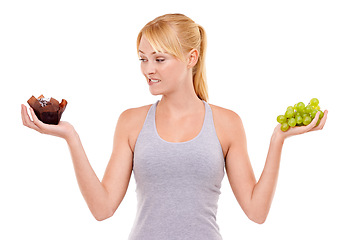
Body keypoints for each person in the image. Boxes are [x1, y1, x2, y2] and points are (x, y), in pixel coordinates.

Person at [21, 13, 328, 240]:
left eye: (159, 59)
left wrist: (278, 140)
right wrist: (71, 137)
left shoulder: (227, 123)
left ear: (191, 57)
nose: (148, 69)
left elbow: (256, 212)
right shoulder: (131, 121)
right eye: (143, 59)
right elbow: (103, 209)